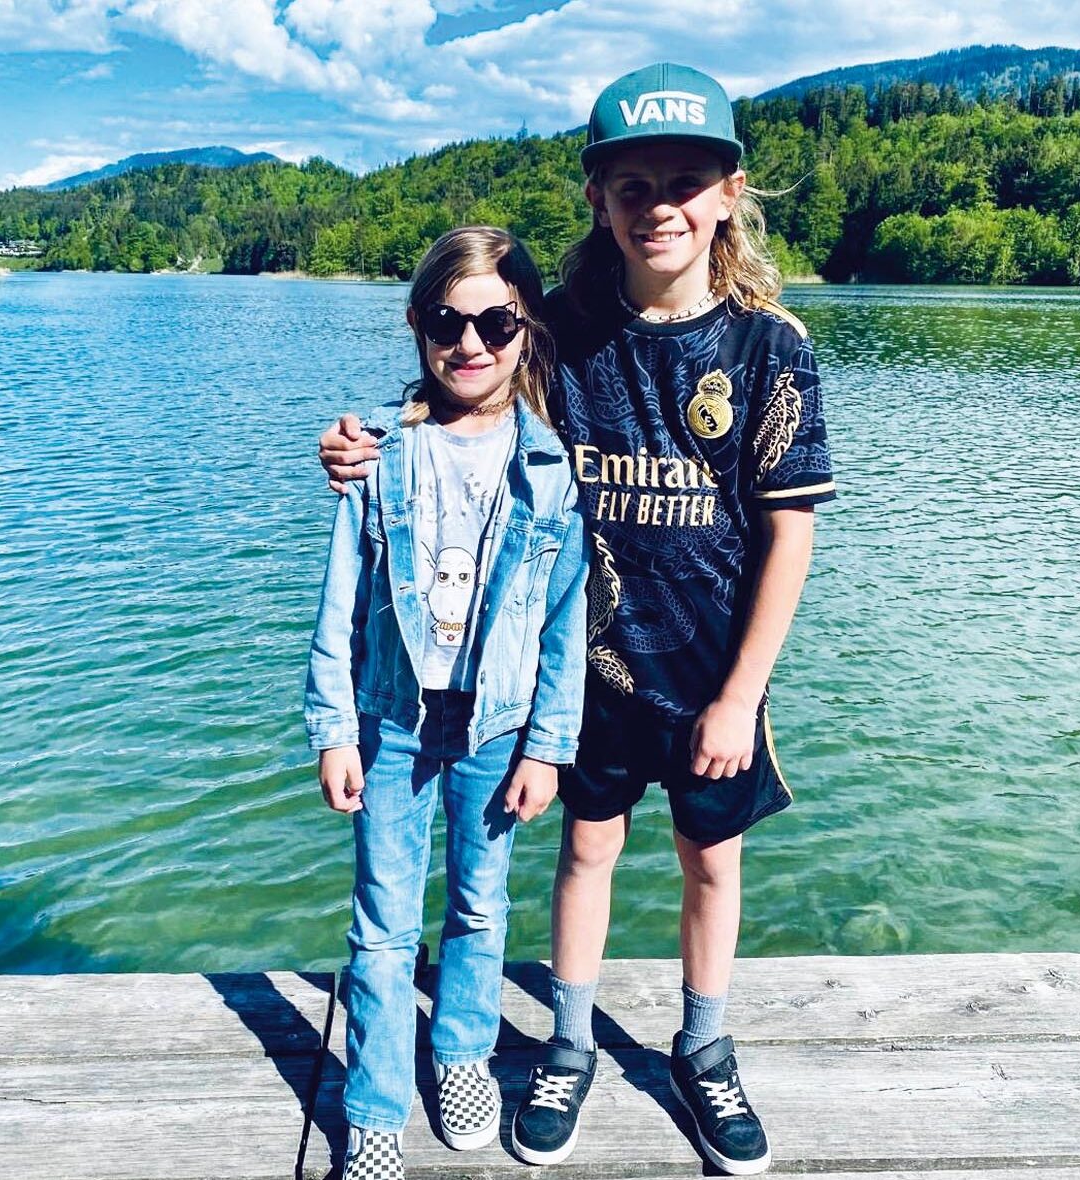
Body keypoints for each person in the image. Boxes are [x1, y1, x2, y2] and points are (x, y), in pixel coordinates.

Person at [319, 62, 835, 1177]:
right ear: (597, 199)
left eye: (685, 182)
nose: (660, 206)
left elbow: (788, 535)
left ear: (728, 194)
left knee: (710, 863)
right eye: (632, 185)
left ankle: (703, 1048)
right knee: (585, 854)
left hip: (712, 677)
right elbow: (466, 379)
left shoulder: (770, 348)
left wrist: (741, 696)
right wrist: (369, 440)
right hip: (586, 671)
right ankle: (565, 1043)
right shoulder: (559, 330)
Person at [305, 225, 589, 1180]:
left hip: (496, 728)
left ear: (526, 328)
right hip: (389, 720)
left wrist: (547, 745)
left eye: (495, 323)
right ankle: (374, 1107)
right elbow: (339, 601)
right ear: (417, 326)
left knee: (479, 907)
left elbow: (563, 621)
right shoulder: (378, 456)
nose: (470, 344)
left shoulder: (551, 468)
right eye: (445, 322)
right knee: (382, 926)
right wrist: (333, 729)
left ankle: (463, 1053)